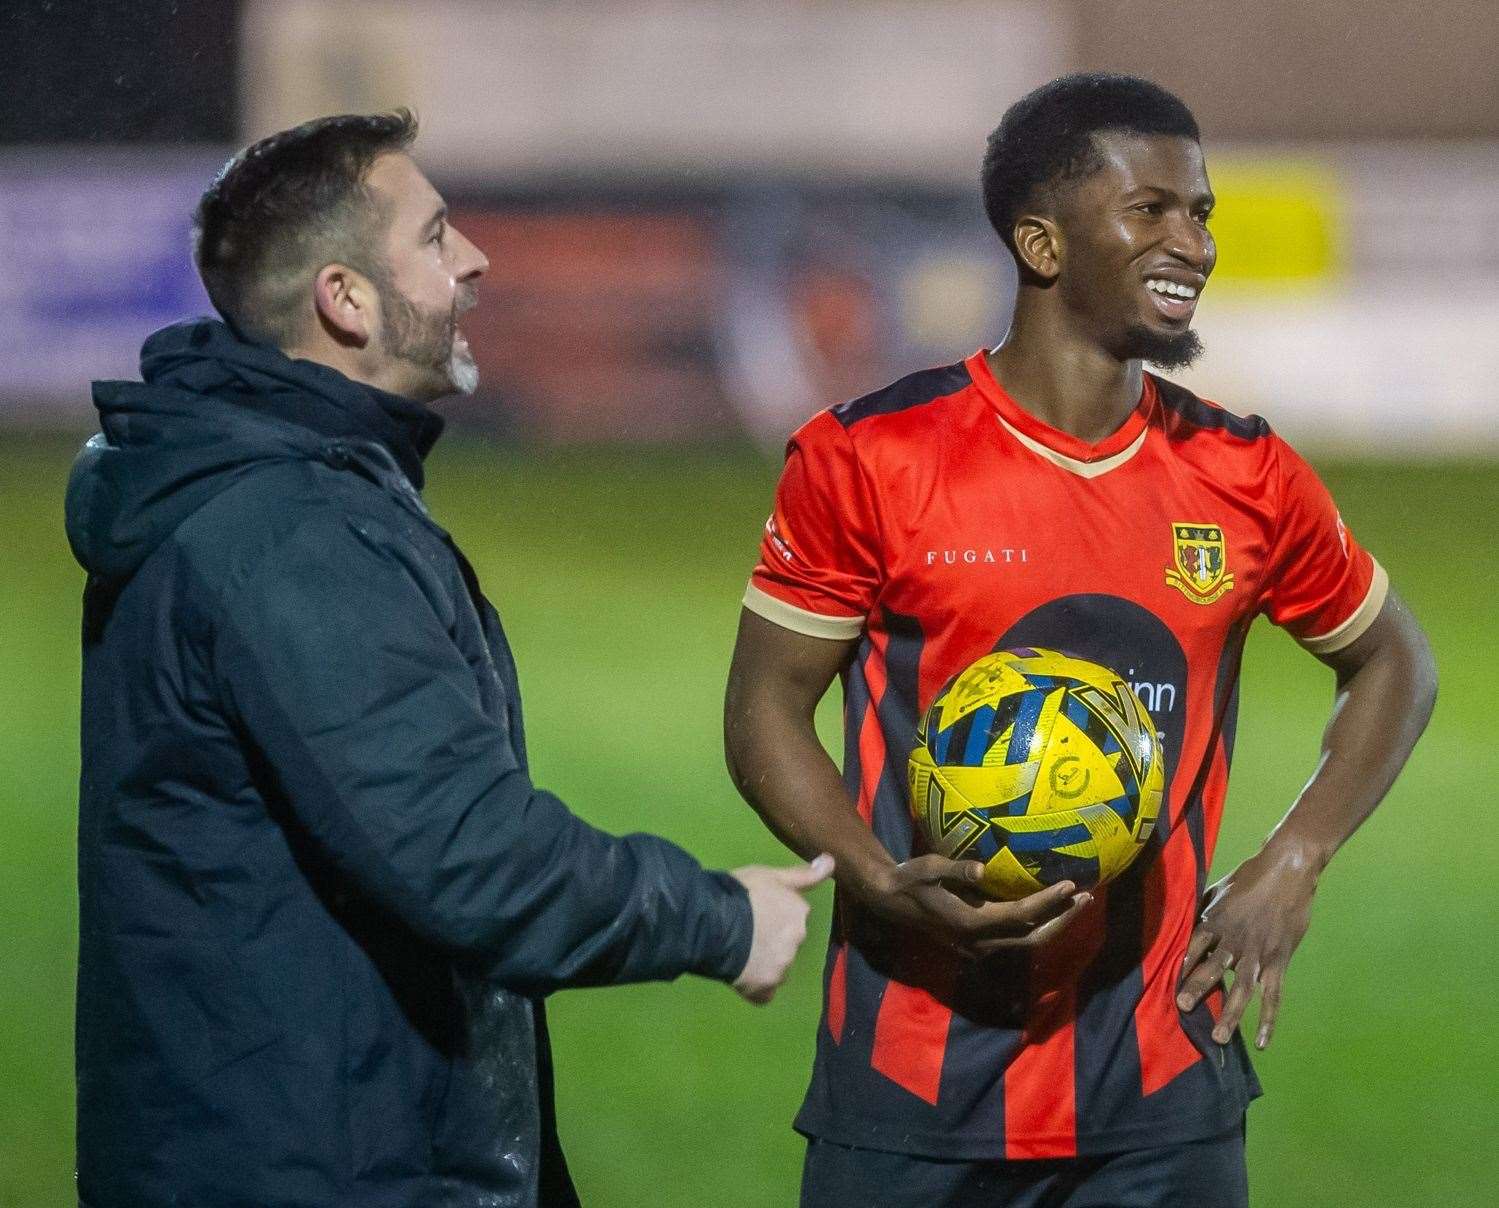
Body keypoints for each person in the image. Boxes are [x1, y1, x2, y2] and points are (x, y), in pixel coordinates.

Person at [67, 110, 832, 1208]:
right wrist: (720, 918)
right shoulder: (292, 534)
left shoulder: (286, 493)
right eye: (433, 237)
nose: (472, 258)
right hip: (318, 1168)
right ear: (345, 299)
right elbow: (466, 851)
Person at [724, 74, 1436, 1207]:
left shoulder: (1244, 474)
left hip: (1161, 1095)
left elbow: (1394, 658)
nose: (1190, 242)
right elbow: (762, 711)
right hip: (911, 1087)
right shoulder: (866, 456)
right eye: (1149, 209)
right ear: (1041, 243)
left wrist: (1292, 857)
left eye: (1199, 212)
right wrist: (876, 875)